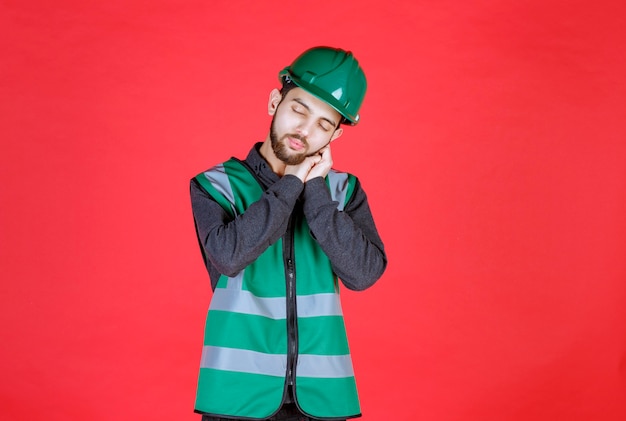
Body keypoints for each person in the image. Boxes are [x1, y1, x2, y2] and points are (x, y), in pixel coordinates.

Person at [190, 46, 387, 421]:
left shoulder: (343, 192)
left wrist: (315, 191)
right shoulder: (215, 185)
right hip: (235, 397)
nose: (305, 130)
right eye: (299, 109)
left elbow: (364, 274)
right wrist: (292, 181)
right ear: (274, 102)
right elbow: (230, 256)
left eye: (323, 124)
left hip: (323, 397)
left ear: (333, 137)